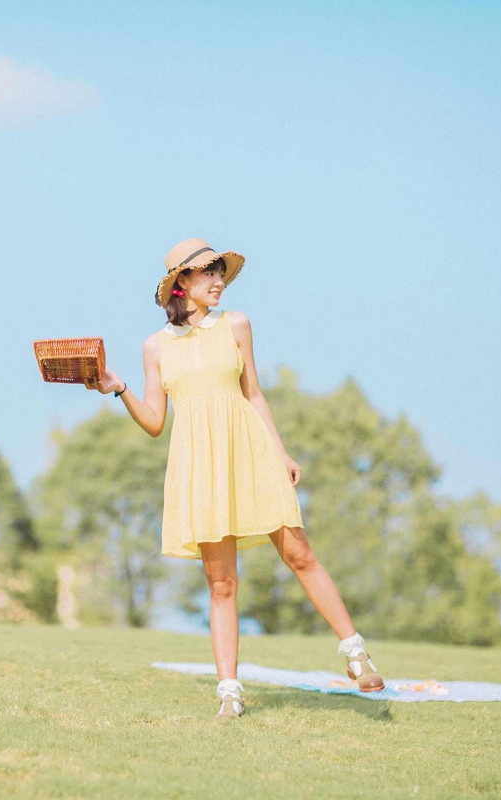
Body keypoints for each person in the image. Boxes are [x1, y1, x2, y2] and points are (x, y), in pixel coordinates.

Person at [86, 237, 384, 718]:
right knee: (221, 583)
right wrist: (117, 388)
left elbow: (255, 394)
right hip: (199, 463)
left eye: (220, 272)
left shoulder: (237, 325)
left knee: (298, 551)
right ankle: (229, 690)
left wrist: (280, 450)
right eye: (207, 273)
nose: (218, 280)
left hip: (249, 449)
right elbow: (155, 422)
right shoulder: (155, 347)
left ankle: (355, 653)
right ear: (181, 283)